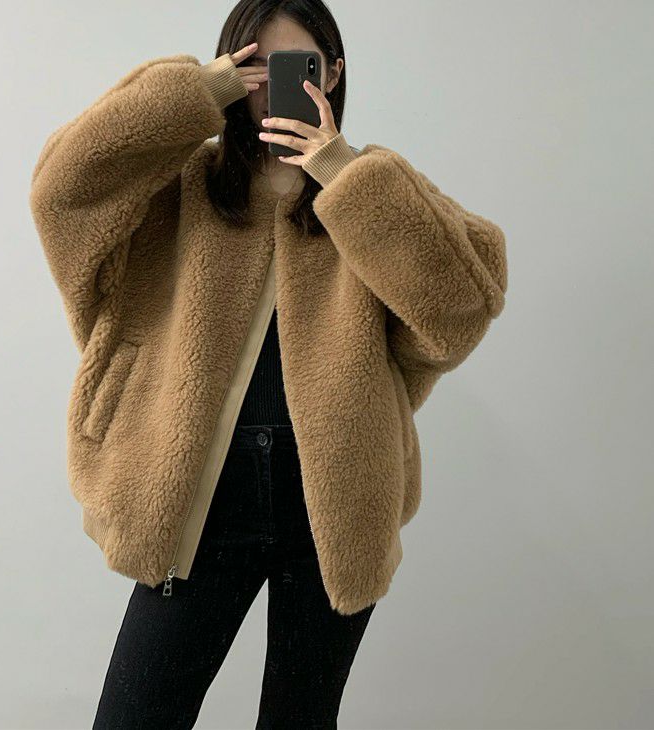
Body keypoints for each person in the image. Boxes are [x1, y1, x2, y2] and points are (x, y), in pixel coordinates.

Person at [29, 0, 508, 726]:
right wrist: (197, 92)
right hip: (196, 493)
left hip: (334, 501)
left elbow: (460, 308)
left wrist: (340, 172)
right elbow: (63, 191)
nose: (270, 86)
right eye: (253, 65)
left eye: (296, 67)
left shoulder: (372, 190)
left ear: (332, 74)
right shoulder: (184, 185)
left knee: (300, 718)